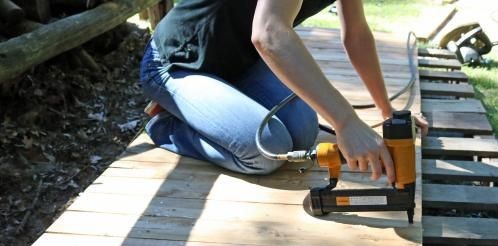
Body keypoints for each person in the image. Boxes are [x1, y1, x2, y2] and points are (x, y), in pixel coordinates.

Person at [140, 0, 428, 183]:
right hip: (179, 62)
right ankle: (168, 125)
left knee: (304, 130)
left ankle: (206, 106)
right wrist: (346, 121)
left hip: (241, 65)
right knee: (267, 151)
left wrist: (388, 112)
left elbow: (356, 34)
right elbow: (268, 33)